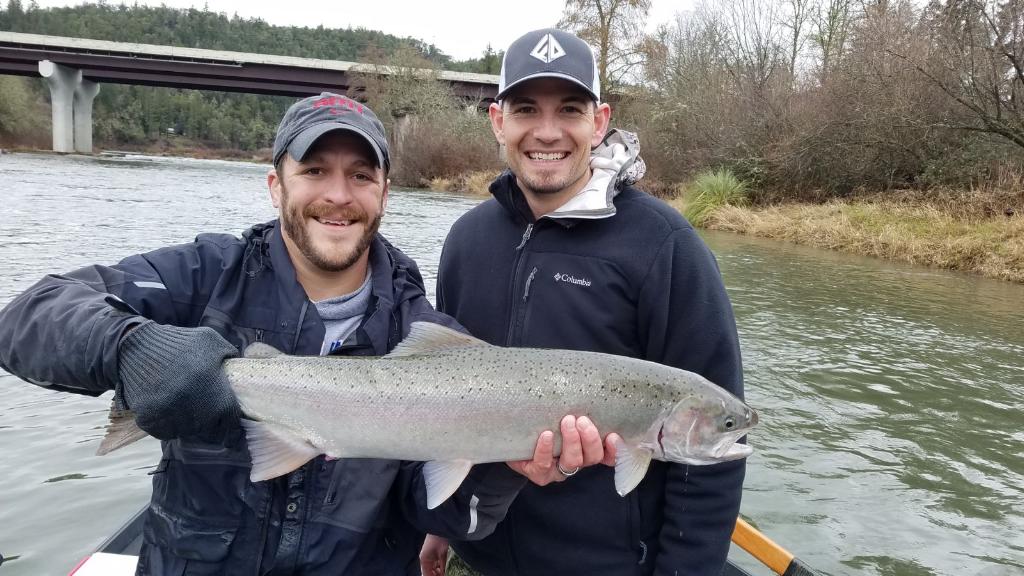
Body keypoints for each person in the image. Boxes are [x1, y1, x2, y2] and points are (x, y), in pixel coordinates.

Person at [0, 92, 613, 575]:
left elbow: (444, 514)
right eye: (315, 170)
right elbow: (28, 315)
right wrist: (131, 347)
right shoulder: (207, 276)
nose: (338, 196)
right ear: (276, 185)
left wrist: (506, 463)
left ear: (385, 194)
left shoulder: (424, 334)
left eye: (361, 175)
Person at [421, 29, 746, 576]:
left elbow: (707, 463)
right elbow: (446, 401)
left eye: (569, 109)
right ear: (499, 121)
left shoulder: (666, 246)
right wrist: (440, 526)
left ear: (599, 122)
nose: (547, 132)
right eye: (527, 109)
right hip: (476, 555)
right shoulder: (465, 240)